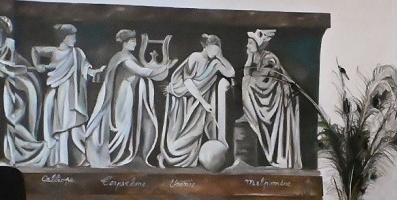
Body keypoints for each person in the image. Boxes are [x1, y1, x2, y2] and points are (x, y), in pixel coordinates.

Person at [85, 29, 173, 168]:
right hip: (122, 95)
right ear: (124, 43)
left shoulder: (128, 57)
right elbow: (144, 72)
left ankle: (121, 156)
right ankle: (116, 157)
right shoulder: (124, 59)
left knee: (125, 126)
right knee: (122, 126)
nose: (135, 44)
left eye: (135, 41)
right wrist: (165, 67)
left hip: (128, 94)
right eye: (132, 41)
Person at [0, 16, 50, 167]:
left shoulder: (10, 44)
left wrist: (4, 68)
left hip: (18, 85)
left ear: (1, 30)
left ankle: (35, 147)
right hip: (0, 87)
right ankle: (16, 150)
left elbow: (13, 68)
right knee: (4, 118)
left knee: (13, 118)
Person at [157, 34, 236, 168]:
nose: (214, 54)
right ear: (205, 46)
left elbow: (231, 73)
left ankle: (187, 160)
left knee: (194, 132)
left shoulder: (215, 63)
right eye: (213, 50)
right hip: (182, 99)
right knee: (177, 133)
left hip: (197, 102)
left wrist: (221, 57)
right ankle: (165, 156)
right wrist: (203, 102)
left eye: (217, 51)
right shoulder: (195, 57)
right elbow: (187, 81)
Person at [32, 24, 98, 166]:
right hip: (60, 93)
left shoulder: (78, 53)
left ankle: (81, 158)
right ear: (64, 37)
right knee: (62, 125)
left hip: (74, 94)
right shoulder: (55, 52)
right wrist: (37, 65)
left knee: (76, 125)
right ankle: (61, 160)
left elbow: (85, 68)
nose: (75, 39)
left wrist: (94, 72)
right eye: (72, 36)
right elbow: (35, 50)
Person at [241, 28, 302, 168]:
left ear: (258, 45)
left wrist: (250, 76)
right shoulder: (256, 57)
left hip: (279, 99)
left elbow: (261, 79)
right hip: (268, 96)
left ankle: (282, 157)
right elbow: (248, 75)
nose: (247, 45)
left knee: (247, 82)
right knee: (247, 81)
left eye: (250, 43)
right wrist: (249, 58)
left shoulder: (269, 58)